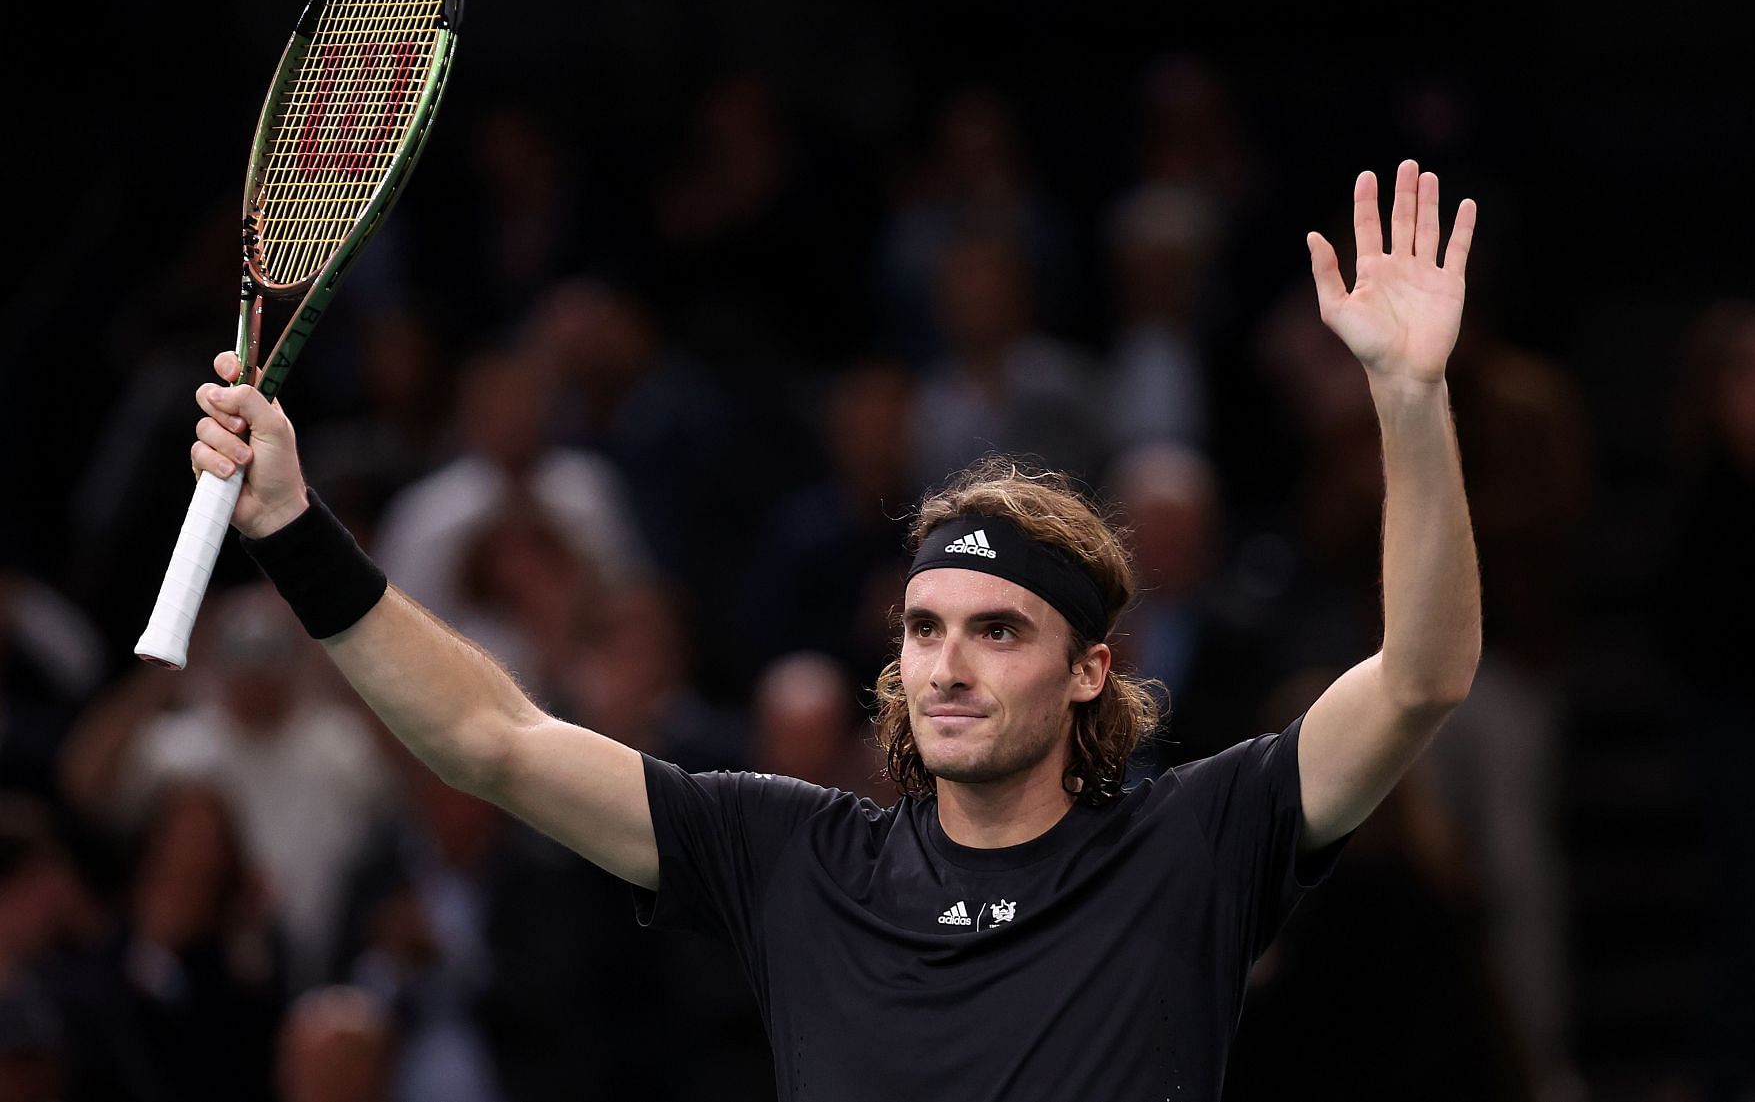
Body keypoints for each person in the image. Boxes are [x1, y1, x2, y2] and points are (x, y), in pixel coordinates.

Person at [183, 161, 1482, 1100]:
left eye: (996, 630)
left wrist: (1410, 401)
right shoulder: (792, 855)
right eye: (923, 627)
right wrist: (294, 525)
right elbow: (493, 735)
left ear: (1094, 669)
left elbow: (1422, 676)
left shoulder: (1199, 838)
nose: (946, 662)